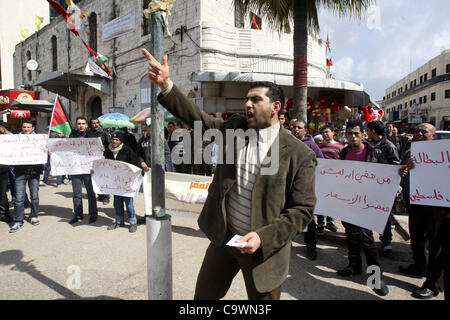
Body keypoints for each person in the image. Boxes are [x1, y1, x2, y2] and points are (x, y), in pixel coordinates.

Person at [143, 48, 316, 300]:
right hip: (224, 239)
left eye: (256, 99)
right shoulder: (236, 127)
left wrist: (262, 237)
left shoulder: (300, 154)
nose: (247, 104)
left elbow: (302, 209)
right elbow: (198, 120)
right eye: (247, 99)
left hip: (263, 250)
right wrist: (166, 85)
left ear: (275, 107)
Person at [337, 119, 389, 296]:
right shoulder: (344, 152)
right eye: (349, 133)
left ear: (363, 134)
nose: (353, 137)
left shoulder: (375, 153)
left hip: (367, 205)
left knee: (367, 241)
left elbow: (388, 174)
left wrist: (400, 172)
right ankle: (354, 266)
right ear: (346, 135)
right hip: (348, 202)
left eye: (356, 133)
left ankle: (376, 278)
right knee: (351, 236)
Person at [398, 123, 445, 299]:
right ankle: (419, 267)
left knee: (435, 245)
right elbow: (400, 173)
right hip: (414, 204)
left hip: (436, 209)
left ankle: (433, 284)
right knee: (416, 238)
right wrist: (402, 170)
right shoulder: (409, 153)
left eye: (424, 131)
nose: (419, 133)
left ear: (433, 136)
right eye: (416, 131)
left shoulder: (442, 154)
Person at [366, 121, 401, 256]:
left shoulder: (389, 146)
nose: (366, 132)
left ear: (373, 131)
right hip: (369, 184)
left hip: (383, 185)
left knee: (384, 213)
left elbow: (395, 166)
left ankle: (386, 241)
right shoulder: (369, 144)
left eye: (368, 130)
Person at [291, 119, 323, 260]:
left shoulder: (312, 145)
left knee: (308, 218)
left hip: (305, 188)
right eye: (294, 127)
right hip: (288, 187)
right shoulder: (287, 143)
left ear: (305, 130)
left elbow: (321, 163)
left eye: (299, 127)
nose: (296, 129)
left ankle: (311, 247)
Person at [9, 121, 44, 233]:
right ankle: (18, 220)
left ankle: (34, 216)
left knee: (34, 196)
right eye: (24, 127)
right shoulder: (16, 139)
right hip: (20, 172)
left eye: (28, 127)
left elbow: (44, 152)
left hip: (34, 172)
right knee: (19, 198)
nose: (26, 129)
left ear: (33, 128)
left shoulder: (40, 139)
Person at [104, 131, 143, 233]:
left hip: (126, 182)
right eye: (113, 139)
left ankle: (133, 222)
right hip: (115, 182)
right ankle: (119, 221)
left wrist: (137, 173)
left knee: (129, 203)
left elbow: (135, 164)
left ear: (120, 141)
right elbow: (104, 164)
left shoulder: (127, 150)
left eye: (117, 140)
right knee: (117, 203)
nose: (114, 141)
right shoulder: (108, 150)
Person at [68, 117, 99, 224]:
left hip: (88, 169)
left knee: (90, 193)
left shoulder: (93, 136)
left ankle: (93, 215)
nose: (81, 125)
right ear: (76, 125)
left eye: (83, 123)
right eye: (79, 123)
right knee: (77, 194)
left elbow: (98, 150)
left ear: (86, 125)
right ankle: (78, 215)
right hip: (76, 169)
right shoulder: (72, 135)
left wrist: (102, 148)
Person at [317, 125, 343, 234]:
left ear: (333, 132)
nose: (325, 134)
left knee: (332, 200)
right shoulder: (319, 147)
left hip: (335, 179)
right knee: (321, 201)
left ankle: (331, 222)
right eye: (323, 133)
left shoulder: (340, 147)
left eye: (327, 132)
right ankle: (320, 223)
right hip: (321, 179)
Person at [89, 117, 112, 205]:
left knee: (104, 177)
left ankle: (106, 196)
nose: (96, 124)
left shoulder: (104, 133)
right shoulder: (88, 133)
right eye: (93, 123)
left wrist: (104, 148)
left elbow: (110, 144)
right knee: (95, 177)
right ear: (91, 124)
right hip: (92, 160)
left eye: (97, 123)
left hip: (102, 158)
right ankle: (100, 195)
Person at [0, 122, 13, 223]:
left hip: (2, 168)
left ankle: (4, 214)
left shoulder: (6, 137)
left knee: (2, 193)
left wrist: (5, 132)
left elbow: (15, 140)